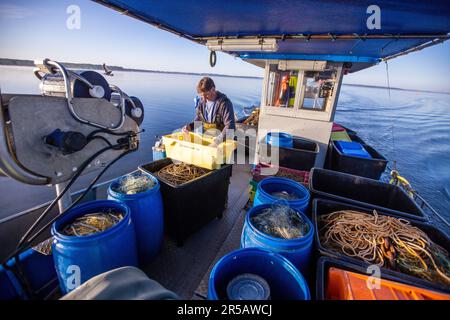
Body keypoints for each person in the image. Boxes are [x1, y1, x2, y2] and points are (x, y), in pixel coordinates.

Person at [183, 77, 235, 145]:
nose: (204, 98)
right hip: (208, 139)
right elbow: (199, 119)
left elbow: (230, 126)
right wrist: (190, 126)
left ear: (213, 89)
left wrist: (217, 141)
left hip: (223, 142)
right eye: (202, 95)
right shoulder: (202, 102)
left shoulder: (225, 103)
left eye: (206, 95)